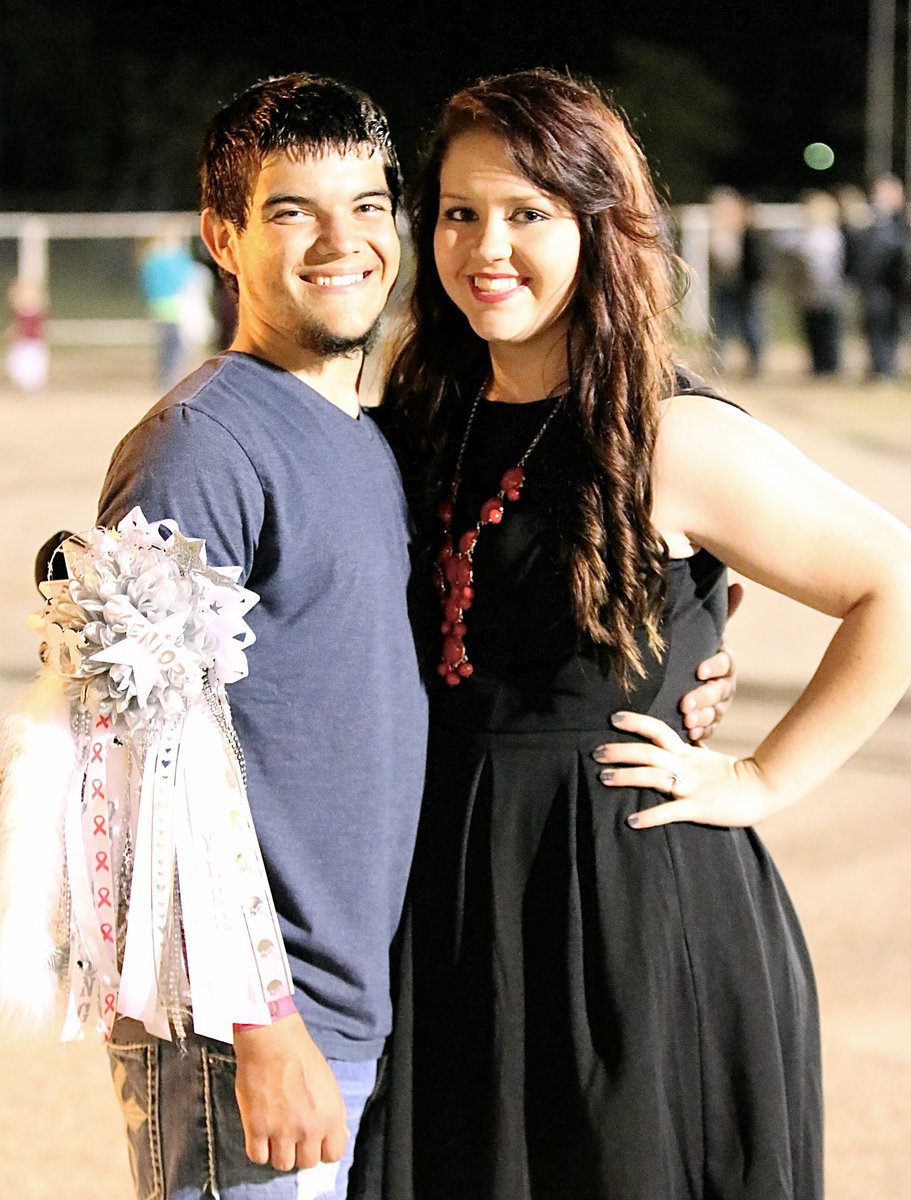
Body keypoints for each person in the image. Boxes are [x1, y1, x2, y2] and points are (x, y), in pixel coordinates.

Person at [16, 74, 734, 1200]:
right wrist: (260, 1029)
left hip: (365, 1010)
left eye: (365, 206)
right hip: (249, 1036)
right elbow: (139, 770)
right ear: (222, 236)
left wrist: (691, 653)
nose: (337, 243)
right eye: (291, 212)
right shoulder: (199, 449)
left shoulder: (377, 435)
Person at [375, 69, 911, 1200]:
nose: (487, 247)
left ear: (597, 222)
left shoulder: (668, 432)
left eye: (528, 214)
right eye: (461, 212)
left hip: (621, 905)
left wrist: (759, 775)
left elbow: (892, 586)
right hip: (452, 901)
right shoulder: (429, 412)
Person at [852, 173, 911, 381]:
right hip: (876, 285)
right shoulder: (872, 219)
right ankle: (880, 369)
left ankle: (885, 369)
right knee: (876, 328)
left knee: (889, 329)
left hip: (894, 286)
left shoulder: (900, 221)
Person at [707, 185, 766, 376]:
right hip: (724, 287)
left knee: (750, 325)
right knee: (721, 326)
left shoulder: (749, 233)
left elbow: (758, 263)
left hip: (746, 288)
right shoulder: (717, 234)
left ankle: (755, 362)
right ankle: (718, 362)